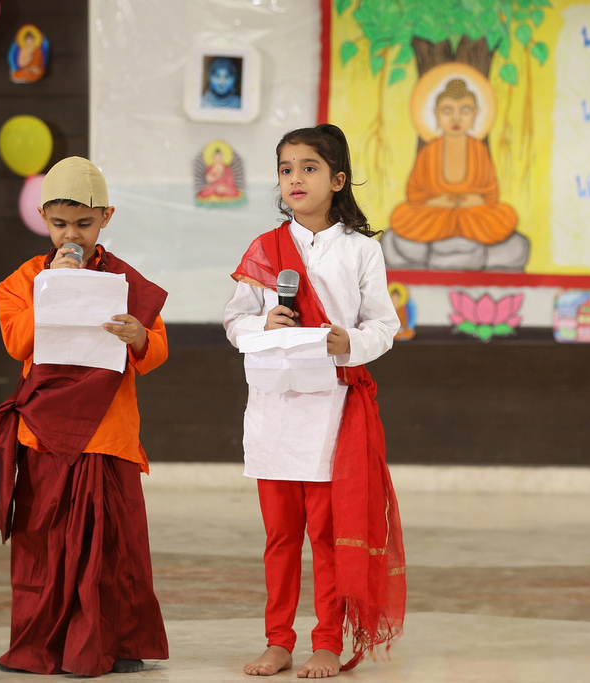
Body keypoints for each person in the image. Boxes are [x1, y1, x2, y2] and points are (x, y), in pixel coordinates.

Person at [224, 124, 406, 678]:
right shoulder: (264, 249)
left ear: (337, 179)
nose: (295, 178)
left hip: (332, 413)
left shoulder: (361, 251)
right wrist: (263, 320)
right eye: (285, 169)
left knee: (326, 537)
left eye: (308, 167)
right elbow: (234, 323)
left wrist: (349, 342)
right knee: (280, 536)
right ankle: (279, 640)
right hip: (276, 411)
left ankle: (326, 641)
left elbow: (385, 325)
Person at [0, 157, 170, 677]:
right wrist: (52, 288)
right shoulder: (21, 281)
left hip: (108, 432)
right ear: (43, 218)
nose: (73, 235)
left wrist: (139, 337)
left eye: (84, 224)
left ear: (106, 217)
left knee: (114, 549)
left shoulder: (123, 278)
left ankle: (114, 646)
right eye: (61, 224)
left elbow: (157, 350)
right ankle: (39, 646)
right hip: (43, 432)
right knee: (43, 545)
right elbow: (17, 341)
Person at [389, 78, 518, 246]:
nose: (456, 119)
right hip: (435, 213)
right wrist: (436, 201)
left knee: (505, 215)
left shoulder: (479, 149)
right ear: (436, 113)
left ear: (475, 113)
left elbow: (491, 194)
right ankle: (457, 226)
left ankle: (456, 225)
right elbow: (414, 194)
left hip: (472, 213)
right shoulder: (428, 151)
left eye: (465, 110)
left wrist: (472, 200)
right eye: (447, 111)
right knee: (401, 215)